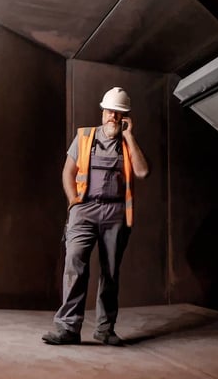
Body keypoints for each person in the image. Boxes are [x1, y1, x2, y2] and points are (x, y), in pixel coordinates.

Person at [42, 86, 150, 346]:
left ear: (125, 116)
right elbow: (68, 172)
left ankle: (105, 329)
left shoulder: (127, 143)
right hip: (84, 210)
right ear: (102, 112)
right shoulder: (84, 138)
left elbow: (143, 172)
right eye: (109, 111)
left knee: (110, 272)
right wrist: (73, 203)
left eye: (119, 113)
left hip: (115, 214)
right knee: (74, 265)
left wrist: (130, 136)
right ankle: (68, 328)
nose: (113, 117)